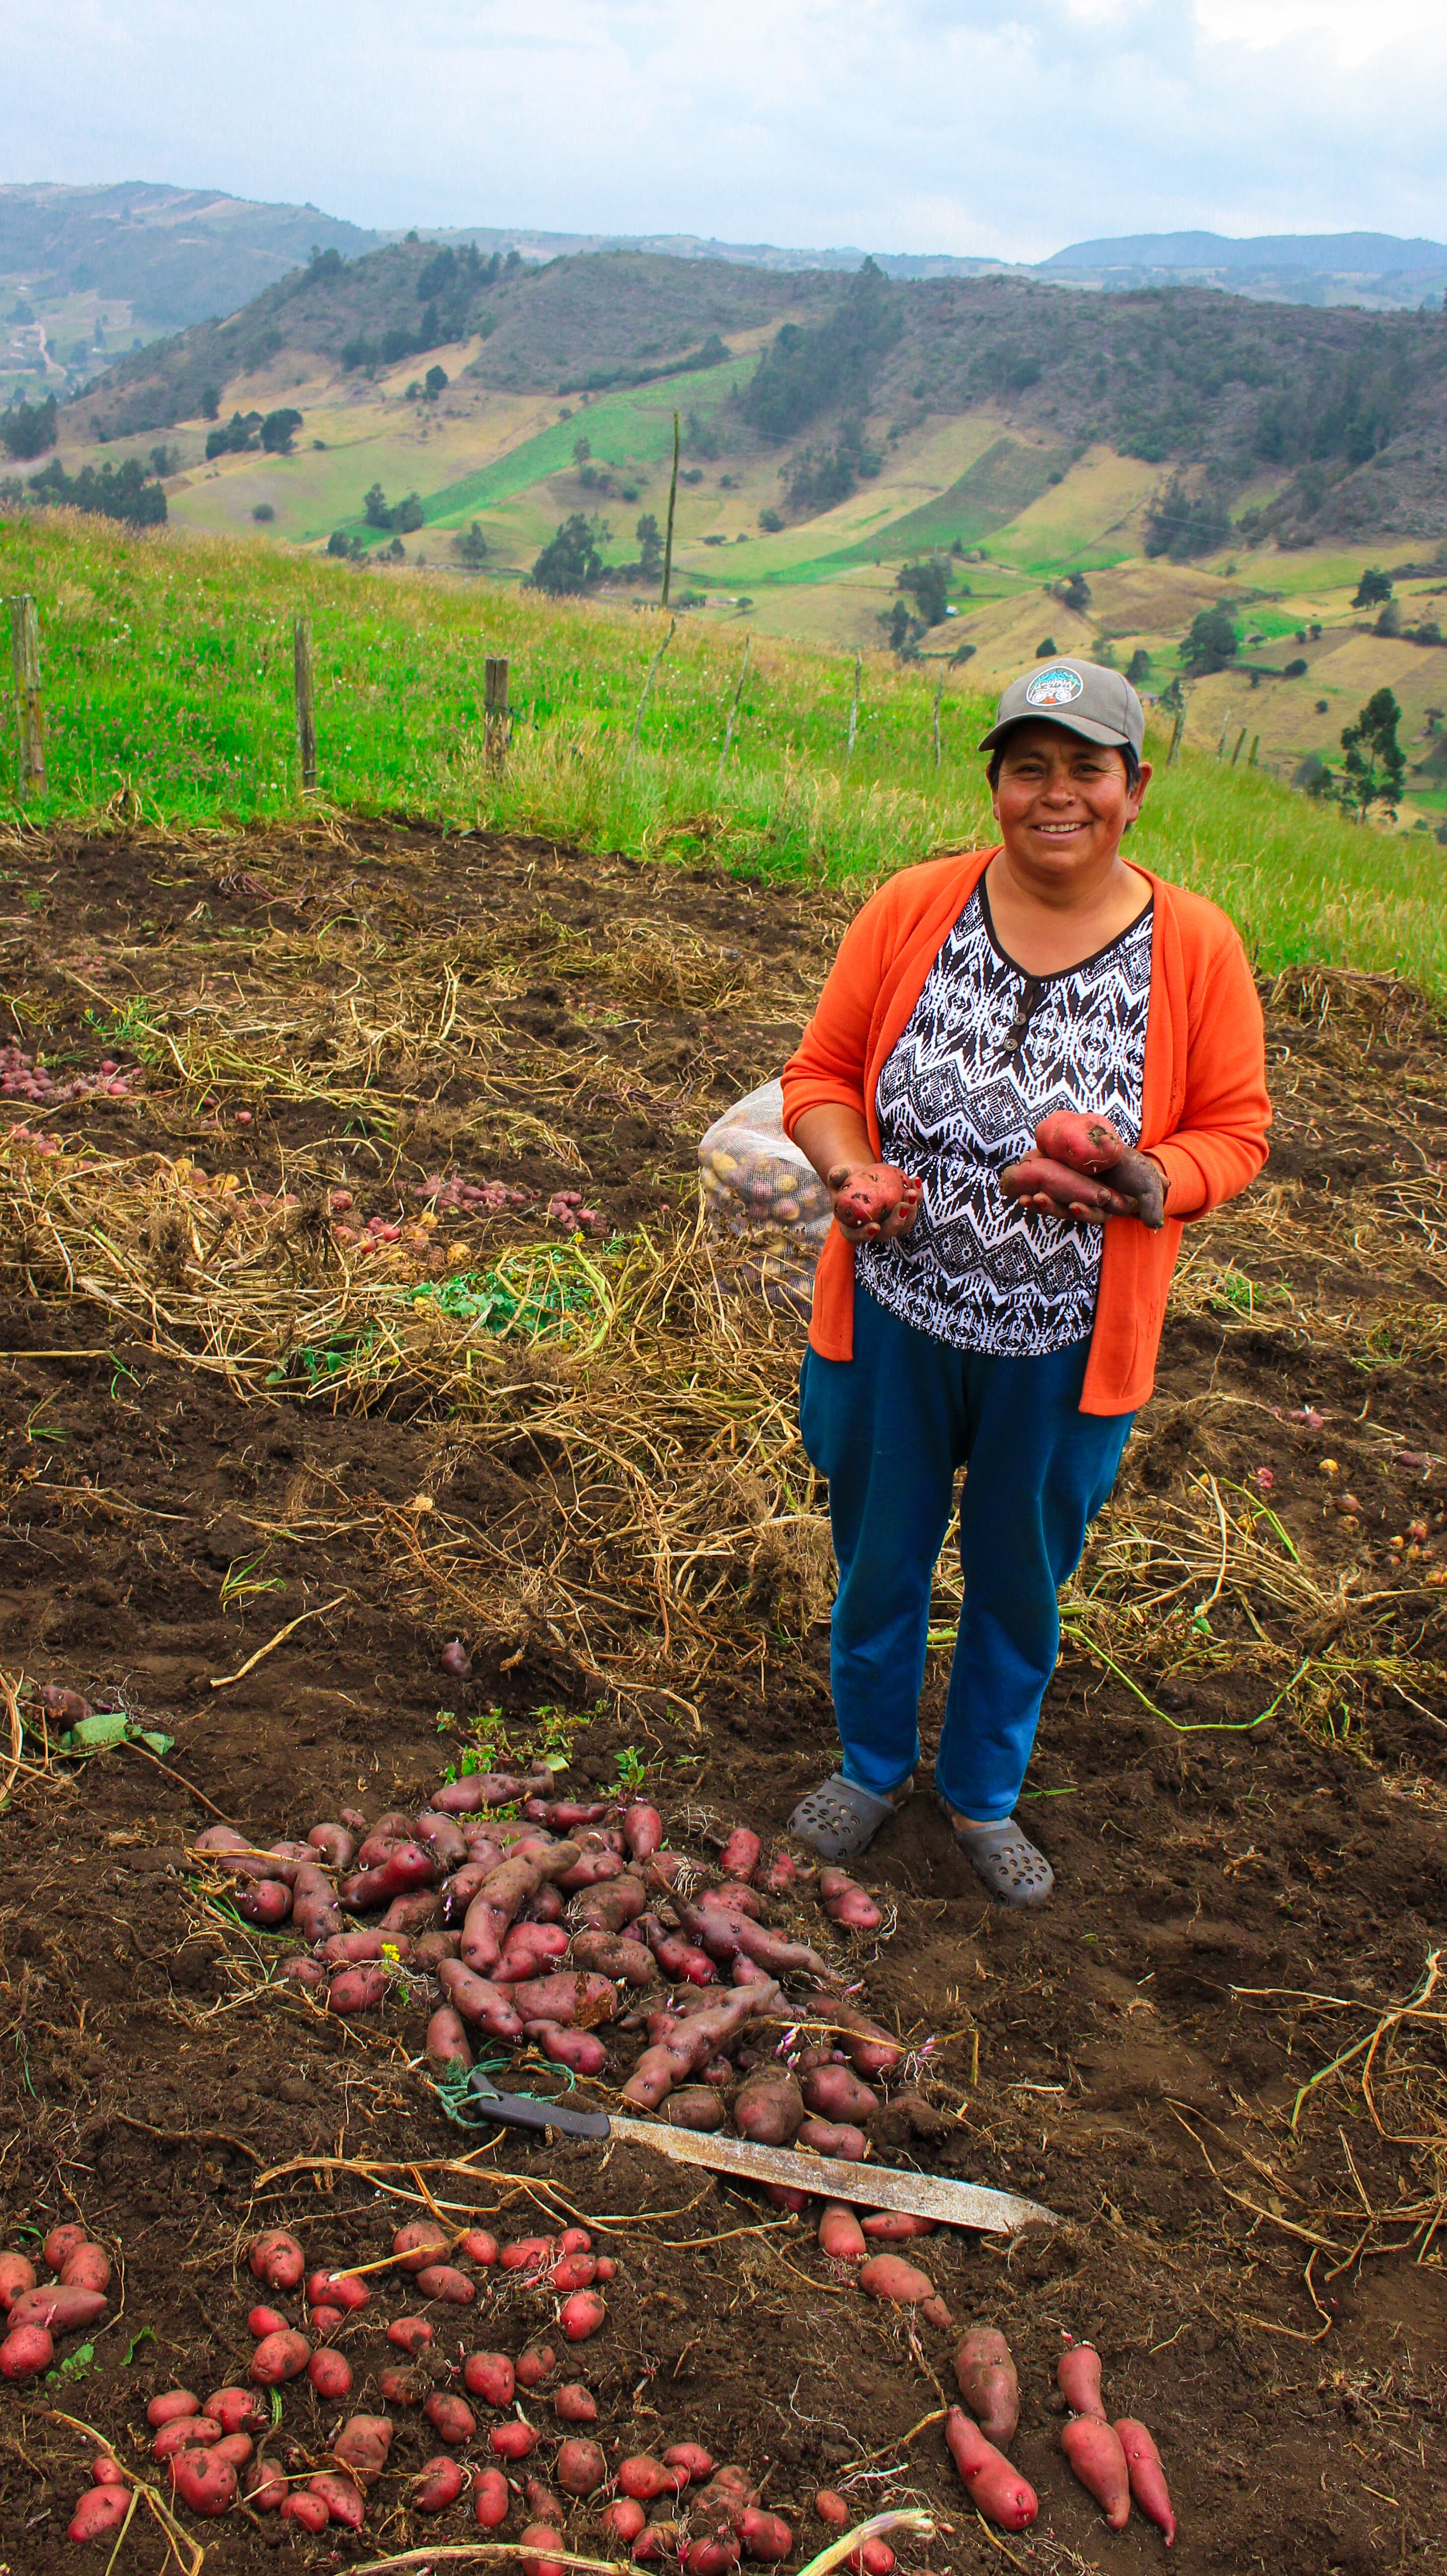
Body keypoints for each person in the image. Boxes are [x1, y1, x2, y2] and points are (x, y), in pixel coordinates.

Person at [780, 657, 1271, 1903]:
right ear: (996, 782)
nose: (1057, 795)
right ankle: (869, 1762)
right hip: (895, 1310)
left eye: (1085, 770)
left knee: (1016, 1577)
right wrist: (852, 1176)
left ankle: (982, 1794)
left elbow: (1237, 1129)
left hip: (1063, 1341)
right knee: (878, 1559)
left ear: (1134, 787)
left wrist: (1148, 1181)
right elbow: (821, 1078)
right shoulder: (914, 907)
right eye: (1028, 769)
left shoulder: (1195, 946)